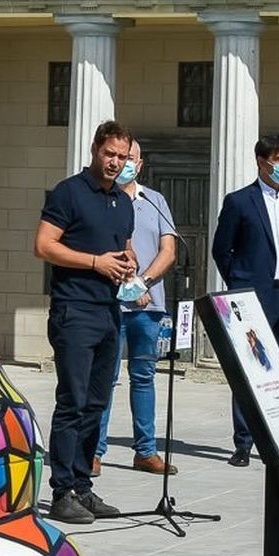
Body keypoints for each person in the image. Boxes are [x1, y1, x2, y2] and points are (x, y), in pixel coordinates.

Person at [33, 121, 138, 524]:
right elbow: (43, 245)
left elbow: (123, 248)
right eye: (109, 154)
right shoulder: (69, 193)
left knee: (97, 403)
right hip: (74, 311)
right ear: (95, 150)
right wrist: (95, 262)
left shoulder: (123, 201)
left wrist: (129, 263)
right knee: (72, 402)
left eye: (123, 157)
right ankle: (61, 492)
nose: (115, 163)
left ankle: (83, 486)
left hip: (109, 311)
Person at [211, 132, 279, 467]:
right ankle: (244, 442)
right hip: (254, 298)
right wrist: (240, 284)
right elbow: (221, 249)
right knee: (251, 369)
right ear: (262, 161)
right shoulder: (240, 201)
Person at [93, 139, 178, 478]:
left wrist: (141, 283)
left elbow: (168, 250)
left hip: (149, 306)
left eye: (131, 158)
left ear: (140, 165)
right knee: (104, 379)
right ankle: (94, 451)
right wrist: (126, 288)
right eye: (119, 156)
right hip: (110, 306)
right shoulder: (102, 201)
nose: (124, 163)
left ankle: (145, 450)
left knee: (144, 378)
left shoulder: (154, 201)